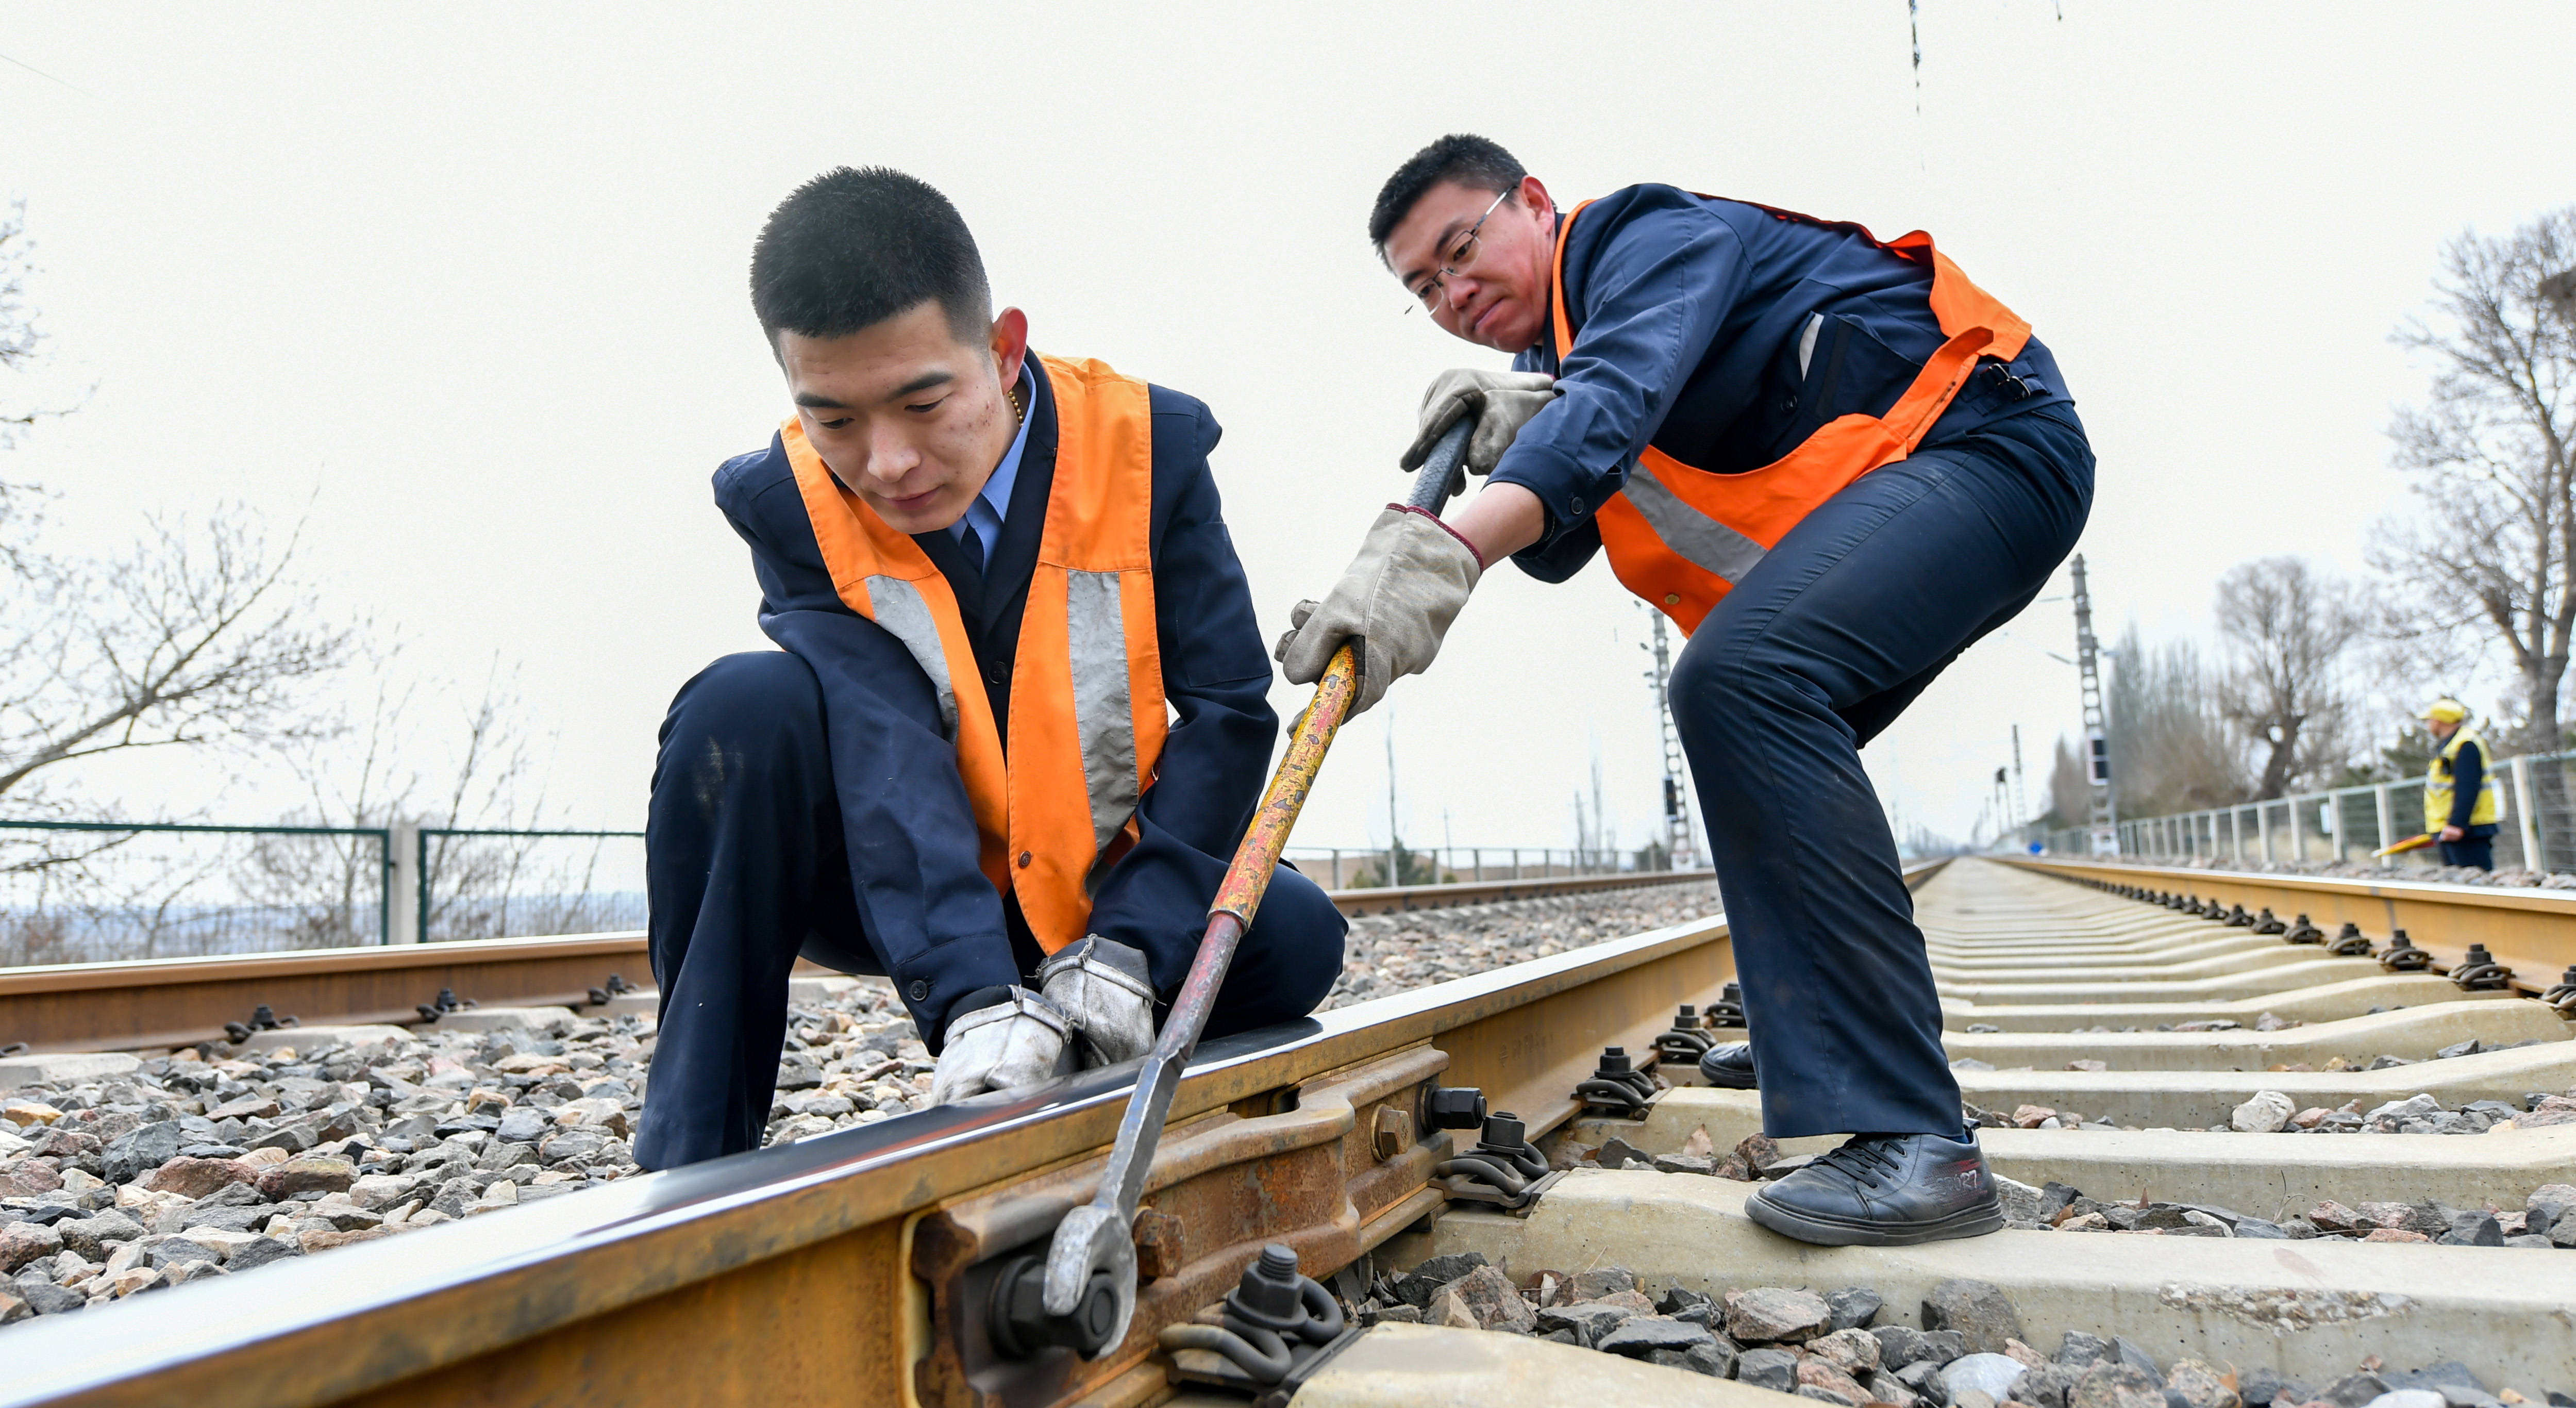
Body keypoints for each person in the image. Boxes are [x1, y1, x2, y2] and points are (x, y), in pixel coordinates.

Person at [1279, 135, 2094, 1246]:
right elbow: (1566, 522)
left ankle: (1919, 1142)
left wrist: (1426, 553)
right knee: (1753, 723)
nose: (1453, 294)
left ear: (1535, 201)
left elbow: (1610, 406)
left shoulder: (1642, 237)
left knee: (1745, 680)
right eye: (1423, 290)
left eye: (1462, 251)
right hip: (1929, 476)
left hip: (1985, 440)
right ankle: (1821, 1026)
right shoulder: (1585, 359)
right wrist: (1523, 422)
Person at [638, 169, 1346, 1170]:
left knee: (1298, 938)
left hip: (1109, 886)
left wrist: (1133, 943)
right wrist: (970, 992)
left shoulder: (1153, 450)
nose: (887, 463)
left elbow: (1226, 712)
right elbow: (879, 733)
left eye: (924, 401)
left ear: (1004, 347)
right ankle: (689, 1164)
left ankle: (1103, 1036)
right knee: (741, 711)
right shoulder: (789, 503)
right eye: (836, 419)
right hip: (910, 882)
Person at [2422, 697, 2498, 871]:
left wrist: (2457, 824)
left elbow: (2468, 786)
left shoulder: (2465, 744)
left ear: (2438, 721)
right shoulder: (2450, 745)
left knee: (2476, 885)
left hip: (2465, 831)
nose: (2428, 725)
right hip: (2452, 829)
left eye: (2429, 720)